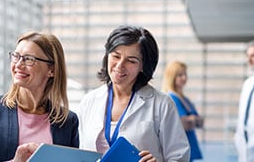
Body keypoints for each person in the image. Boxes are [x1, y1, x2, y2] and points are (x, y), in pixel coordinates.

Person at [78, 25, 190, 162]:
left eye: (131, 61)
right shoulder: (89, 101)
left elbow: (180, 157)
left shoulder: (162, 104)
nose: (120, 65)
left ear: (143, 66)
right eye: (116, 56)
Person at [0, 31, 79, 161]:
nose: (18, 65)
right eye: (16, 56)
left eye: (29, 59)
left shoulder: (67, 121)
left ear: (52, 70)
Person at [161, 61, 203, 161]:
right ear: (172, 76)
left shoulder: (185, 99)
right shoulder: (170, 98)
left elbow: (200, 122)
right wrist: (192, 120)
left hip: (189, 144)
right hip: (178, 148)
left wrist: (191, 120)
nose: (184, 78)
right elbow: (181, 124)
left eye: (185, 74)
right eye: (180, 75)